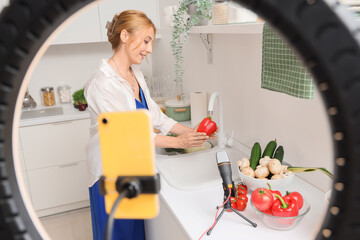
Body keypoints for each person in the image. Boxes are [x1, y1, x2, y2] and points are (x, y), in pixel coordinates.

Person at [84, 10, 210, 240]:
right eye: (146, 41)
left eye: (150, 42)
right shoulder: (101, 83)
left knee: (136, 235)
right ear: (124, 36)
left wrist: (191, 132)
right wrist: (178, 141)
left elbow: (156, 117)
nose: (150, 49)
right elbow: (126, 135)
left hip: (134, 169)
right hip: (110, 175)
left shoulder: (136, 75)